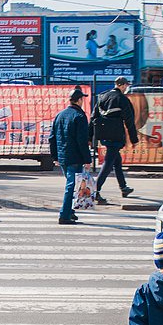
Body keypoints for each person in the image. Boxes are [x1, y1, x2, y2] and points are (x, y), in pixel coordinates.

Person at [50, 86, 94, 225]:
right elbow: (82, 141)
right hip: (75, 157)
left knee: (72, 185)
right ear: (79, 100)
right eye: (82, 99)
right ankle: (64, 215)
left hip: (63, 157)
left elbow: (52, 137)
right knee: (71, 186)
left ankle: (70, 212)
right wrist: (87, 159)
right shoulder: (80, 116)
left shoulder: (60, 115)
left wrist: (55, 156)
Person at [92, 77, 138, 202]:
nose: (126, 88)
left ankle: (123, 187)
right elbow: (129, 120)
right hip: (116, 135)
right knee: (108, 163)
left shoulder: (102, 96)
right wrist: (134, 140)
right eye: (126, 86)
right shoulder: (122, 99)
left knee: (117, 161)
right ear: (122, 86)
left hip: (103, 135)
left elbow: (93, 117)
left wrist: (91, 137)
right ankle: (95, 190)